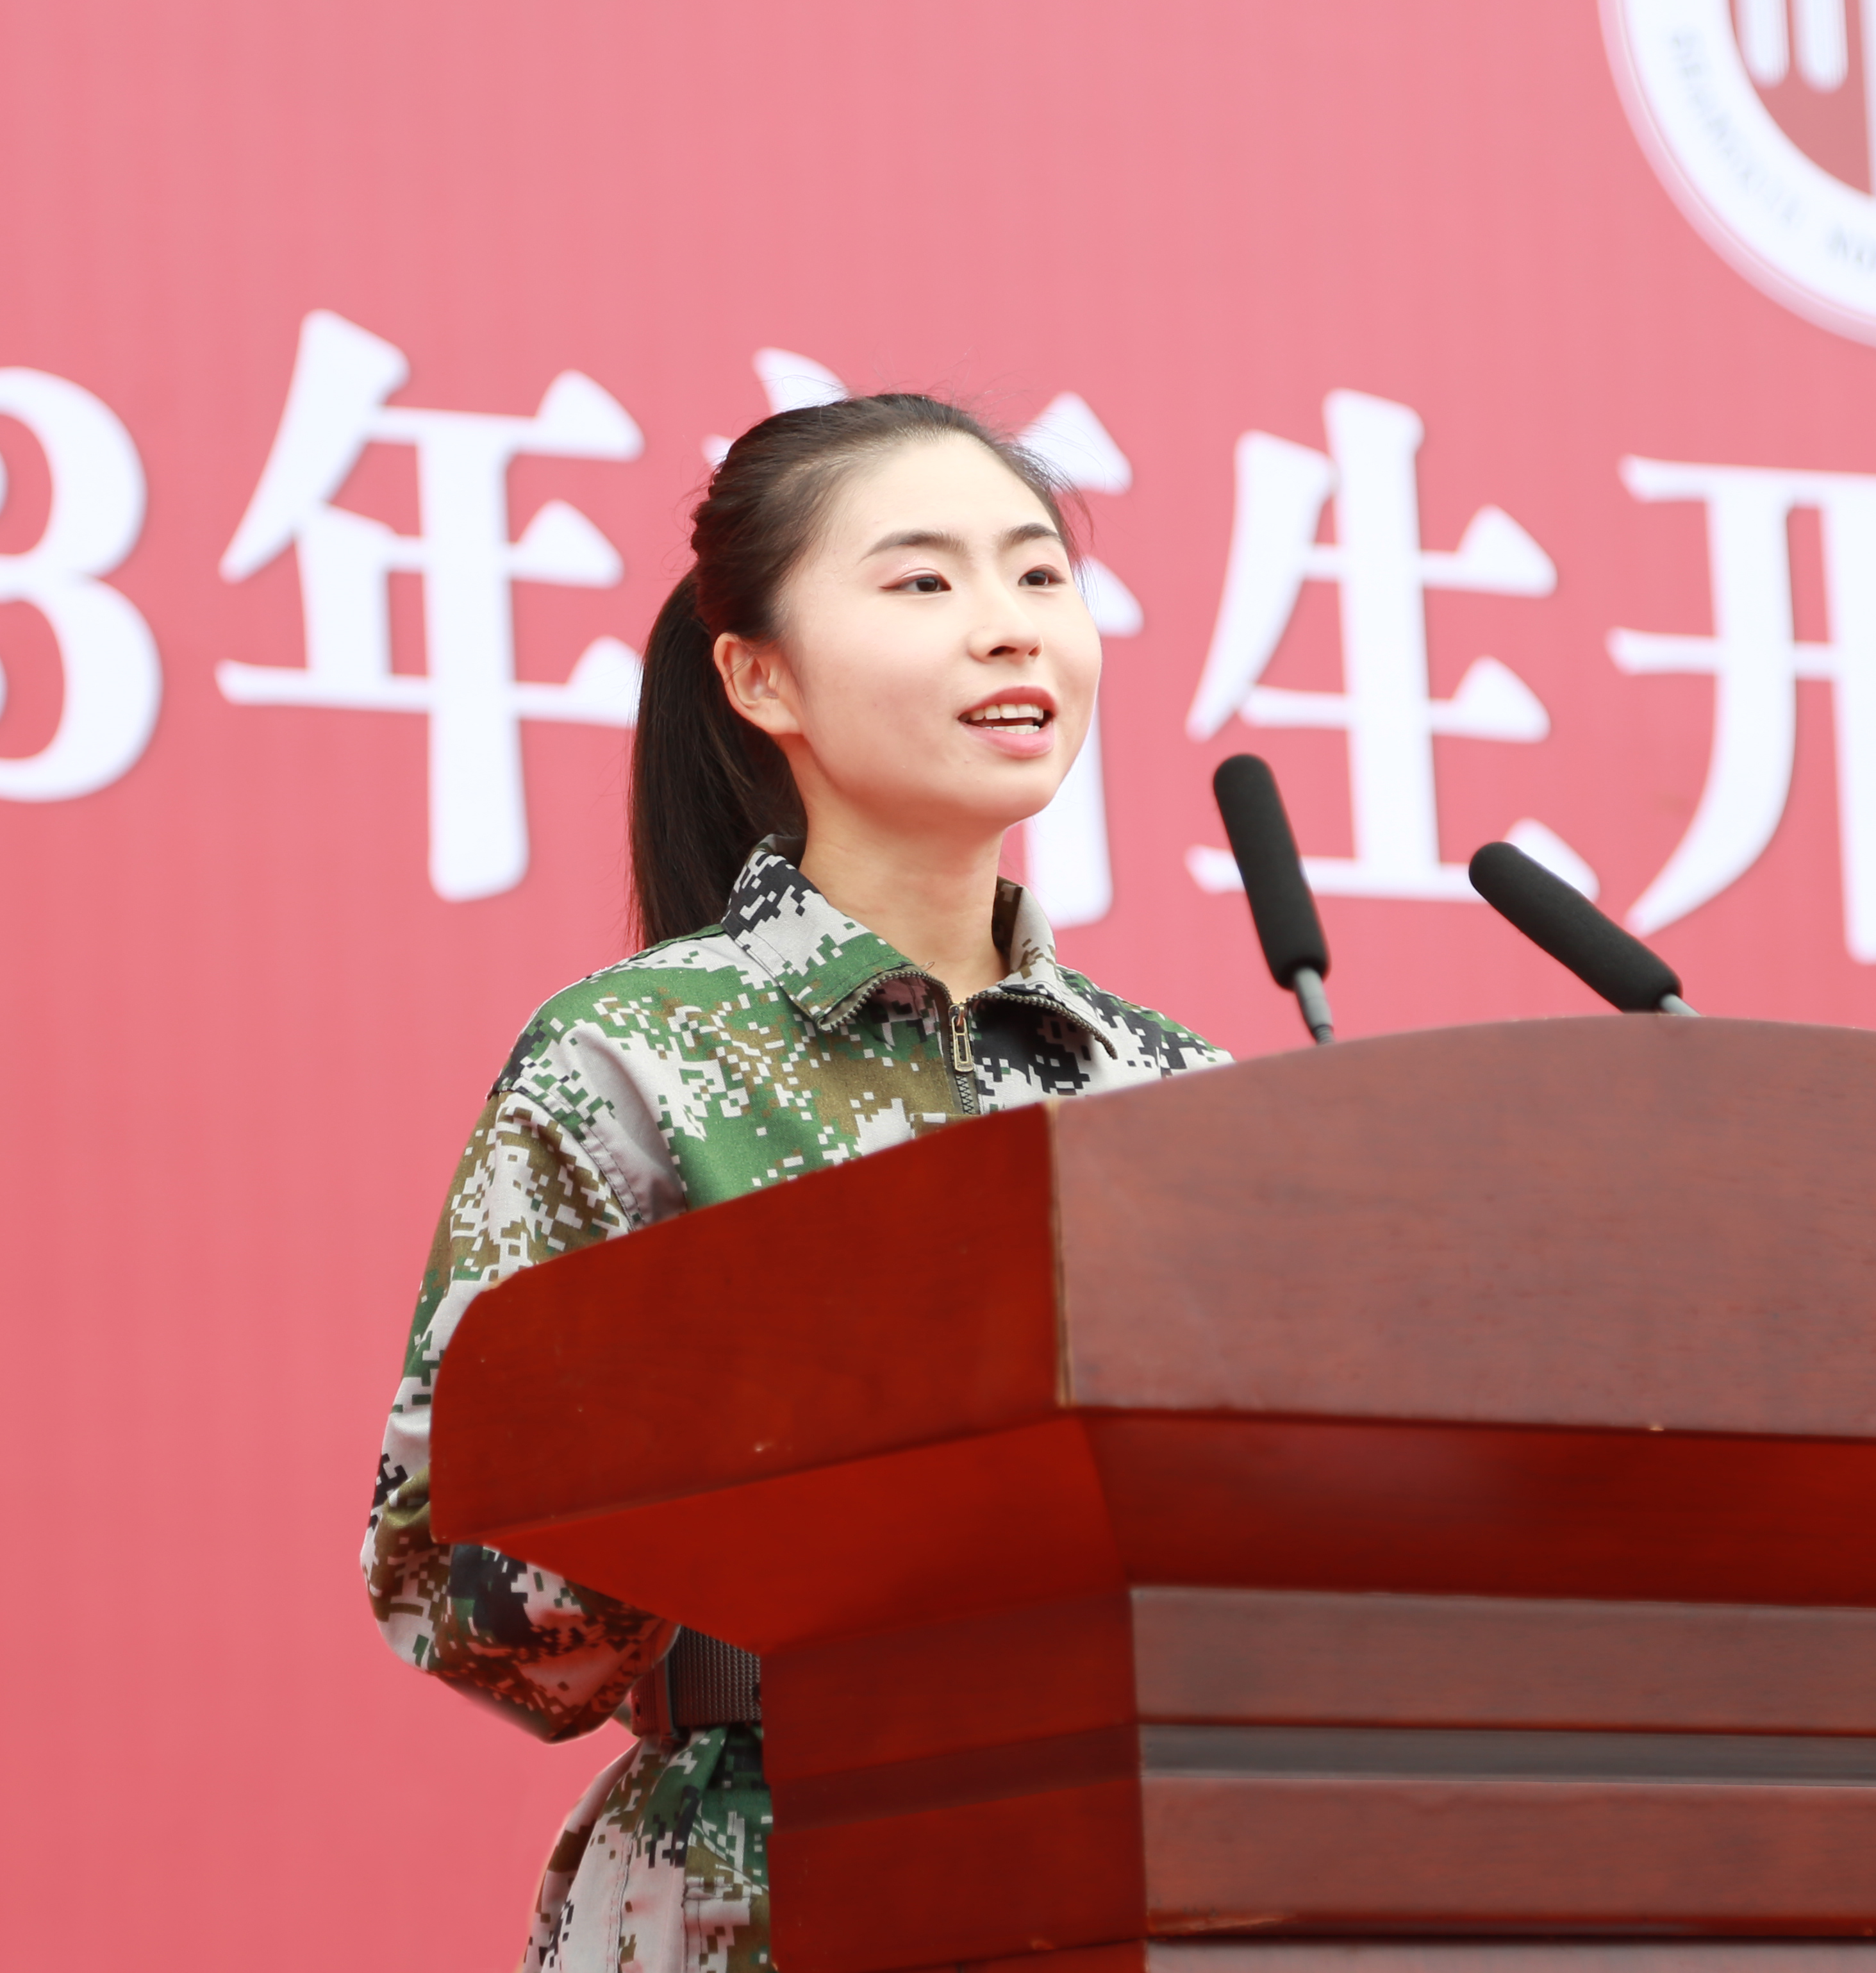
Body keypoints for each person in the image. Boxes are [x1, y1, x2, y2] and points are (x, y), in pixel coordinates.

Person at [359, 394, 1229, 1973]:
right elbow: (450, 1589)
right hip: (765, 1882)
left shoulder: (1177, 1092)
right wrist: (765, 1417)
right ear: (761, 678)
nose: (1009, 627)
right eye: (925, 581)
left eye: (1039, 575)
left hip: (1137, 1868)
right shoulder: (636, 1057)